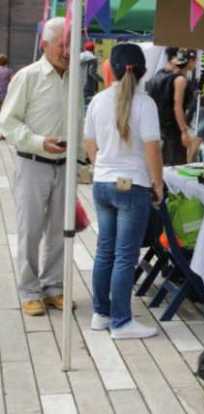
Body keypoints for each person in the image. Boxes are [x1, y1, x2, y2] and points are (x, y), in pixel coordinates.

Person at [83, 43, 163, 339]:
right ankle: (121, 321)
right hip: (132, 185)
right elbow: (153, 150)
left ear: (111, 69)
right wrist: (158, 184)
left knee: (105, 251)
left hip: (103, 182)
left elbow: (89, 144)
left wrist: (102, 167)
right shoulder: (146, 104)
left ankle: (101, 314)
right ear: (142, 71)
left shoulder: (98, 101)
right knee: (124, 255)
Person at [0, 17, 70, 316]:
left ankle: (53, 286)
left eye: (70, 44)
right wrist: (39, 141)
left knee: (59, 230)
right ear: (45, 45)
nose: (67, 50)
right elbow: (7, 122)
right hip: (33, 163)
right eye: (62, 44)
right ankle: (29, 290)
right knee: (30, 230)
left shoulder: (75, 77)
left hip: (65, 165)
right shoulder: (28, 76)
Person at [147, 48, 198, 166]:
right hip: (173, 130)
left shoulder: (158, 75)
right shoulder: (179, 80)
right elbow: (177, 107)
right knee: (175, 165)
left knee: (162, 163)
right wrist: (184, 131)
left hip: (158, 127)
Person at [80, 40, 103, 105]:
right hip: (88, 88)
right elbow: (92, 72)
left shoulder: (78, 57)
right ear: (93, 49)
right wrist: (101, 80)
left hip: (79, 87)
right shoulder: (93, 59)